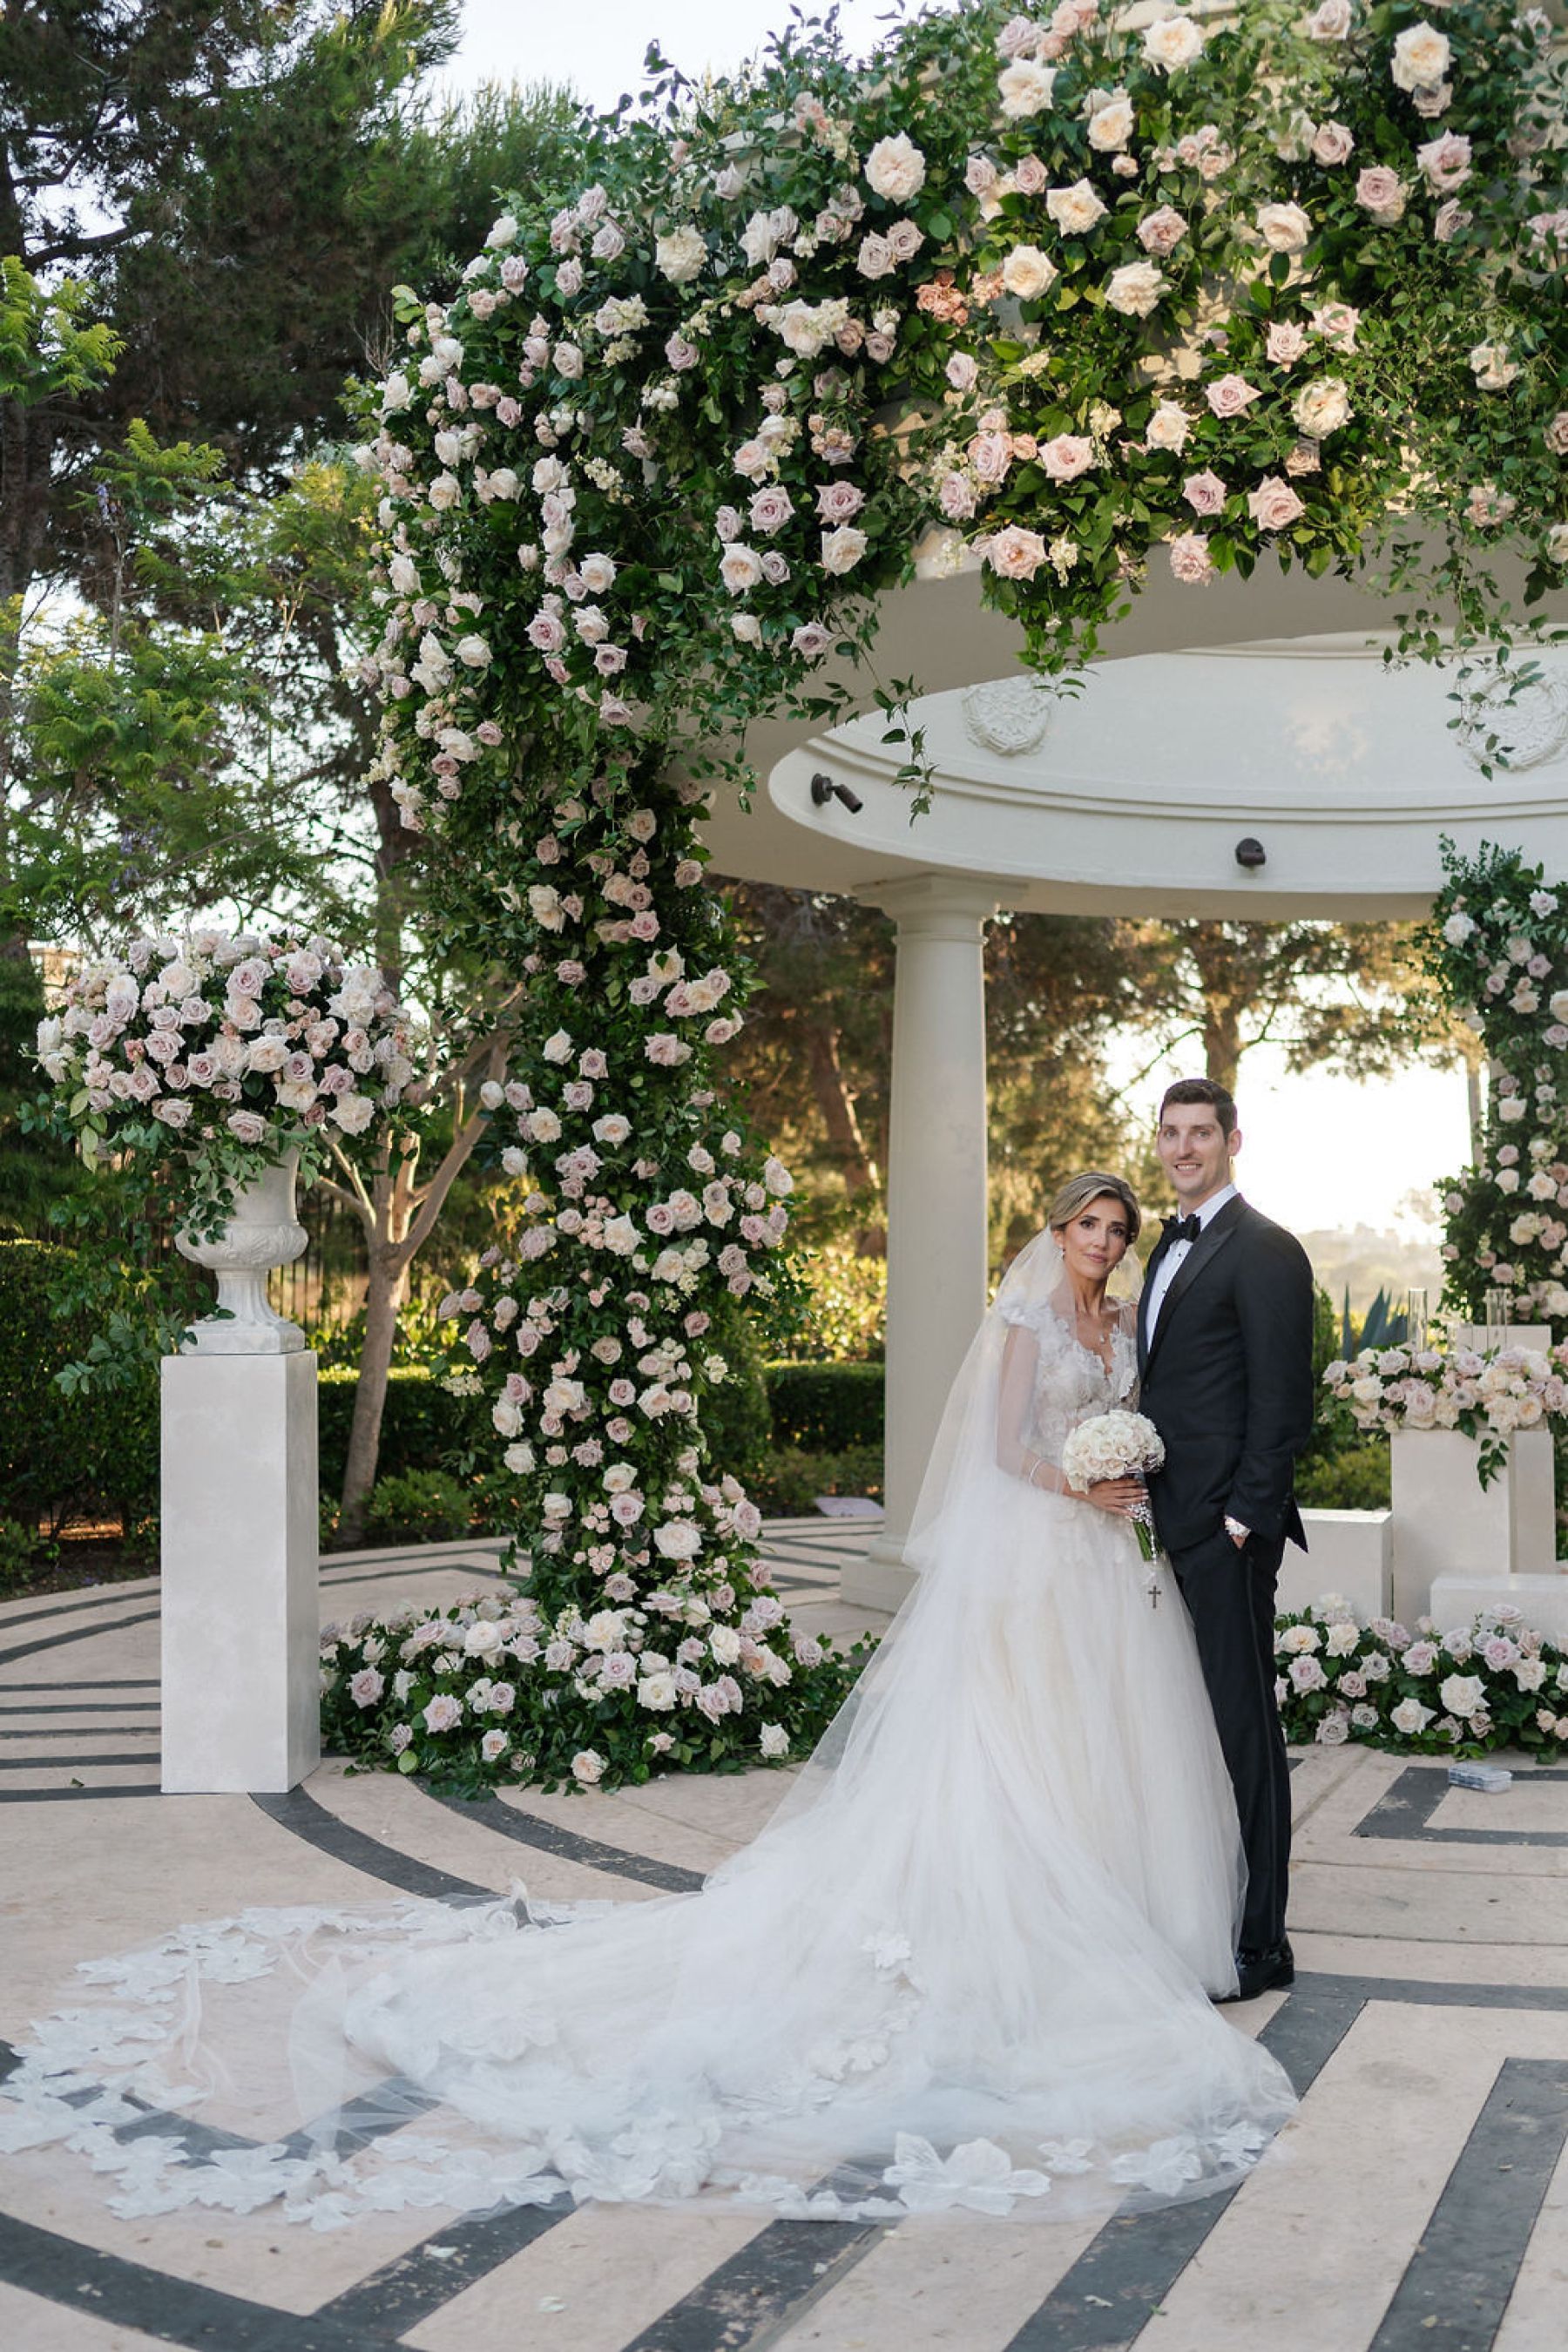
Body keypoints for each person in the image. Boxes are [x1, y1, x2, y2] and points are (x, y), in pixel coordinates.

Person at [0, 1173, 1296, 2231]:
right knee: (1008, 1746)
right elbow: (1011, 1447)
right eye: (1091, 1225)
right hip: (1036, 1554)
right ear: (1055, 1231)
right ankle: (1014, 1921)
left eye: (1118, 1232)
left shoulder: (1121, 1327)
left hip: (1102, 1565)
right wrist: (1080, 1483)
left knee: (1098, 1744)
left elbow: (1143, 1414)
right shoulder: (1023, 1323)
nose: (1106, 1242)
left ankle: (1104, 1905)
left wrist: (1131, 1473)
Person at [1138, 1079, 1316, 2004]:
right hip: (1164, 1525)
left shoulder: (1267, 1250)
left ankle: (1263, 1942)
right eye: (1170, 1133)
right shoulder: (1161, 1249)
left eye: (1200, 1133)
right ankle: (1208, 1905)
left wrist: (1243, 1519)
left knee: (1246, 1731)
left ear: (1233, 1140)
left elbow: (1286, 1404)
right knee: (1189, 1728)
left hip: (1225, 1535)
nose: (1183, 1149)